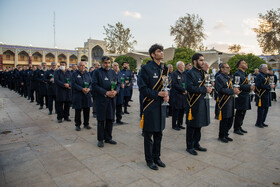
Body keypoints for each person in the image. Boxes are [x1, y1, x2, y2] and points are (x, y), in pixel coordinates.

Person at [138, 44, 168, 170]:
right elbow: (143, 89)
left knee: (159, 134)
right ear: (152, 54)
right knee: (149, 134)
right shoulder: (146, 69)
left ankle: (157, 157)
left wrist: (166, 94)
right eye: (158, 51)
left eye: (162, 51)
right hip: (150, 105)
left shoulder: (163, 68)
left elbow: (165, 85)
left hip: (161, 105)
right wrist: (158, 94)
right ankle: (149, 160)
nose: (161, 53)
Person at [185, 53, 212, 156]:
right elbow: (189, 87)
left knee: (199, 124)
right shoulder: (190, 73)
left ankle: (196, 143)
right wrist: (204, 89)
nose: (203, 62)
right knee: (192, 125)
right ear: (194, 61)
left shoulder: (203, 73)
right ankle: (189, 146)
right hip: (193, 102)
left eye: (203, 60)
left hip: (202, 101)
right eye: (201, 60)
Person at [92, 56, 120, 148]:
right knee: (101, 120)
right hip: (101, 100)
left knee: (110, 119)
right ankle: (100, 139)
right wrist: (105, 92)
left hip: (111, 100)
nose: (107, 64)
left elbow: (118, 84)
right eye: (105, 63)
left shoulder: (112, 72)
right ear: (102, 63)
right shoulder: (97, 72)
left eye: (108, 63)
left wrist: (115, 91)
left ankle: (108, 137)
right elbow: (94, 85)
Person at [216, 63, 240, 143]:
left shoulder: (229, 77)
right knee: (225, 119)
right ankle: (221, 135)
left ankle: (226, 134)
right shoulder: (219, 77)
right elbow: (221, 89)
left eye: (229, 67)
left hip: (231, 100)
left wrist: (235, 90)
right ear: (222, 69)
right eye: (227, 67)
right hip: (224, 101)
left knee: (230, 119)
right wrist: (232, 91)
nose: (229, 69)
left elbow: (231, 87)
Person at [233, 60, 255, 135]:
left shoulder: (244, 73)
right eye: (244, 63)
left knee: (243, 112)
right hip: (241, 95)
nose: (246, 64)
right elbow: (237, 85)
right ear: (239, 65)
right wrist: (249, 87)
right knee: (239, 112)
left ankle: (240, 126)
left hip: (245, 95)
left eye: (246, 63)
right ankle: (236, 128)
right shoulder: (237, 73)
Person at [71, 61, 93, 131]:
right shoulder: (74, 74)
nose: (82, 67)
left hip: (87, 95)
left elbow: (91, 83)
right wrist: (81, 89)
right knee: (78, 111)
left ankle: (86, 124)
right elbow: (73, 84)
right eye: (81, 65)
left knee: (87, 110)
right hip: (78, 95)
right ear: (78, 67)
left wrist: (89, 88)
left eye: (83, 65)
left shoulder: (87, 74)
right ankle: (77, 125)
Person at [171, 61, 187, 130]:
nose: (183, 67)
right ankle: (174, 125)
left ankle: (180, 124)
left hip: (183, 95)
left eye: (183, 65)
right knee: (176, 111)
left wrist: (185, 90)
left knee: (182, 110)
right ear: (178, 66)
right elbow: (174, 84)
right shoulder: (174, 74)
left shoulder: (184, 74)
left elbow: (186, 83)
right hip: (177, 95)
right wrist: (182, 90)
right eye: (182, 65)